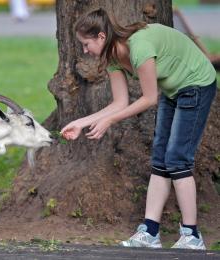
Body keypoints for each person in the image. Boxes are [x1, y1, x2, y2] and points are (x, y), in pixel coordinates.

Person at [61, 8, 217, 250]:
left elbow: (149, 98)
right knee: (160, 158)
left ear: (101, 37)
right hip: (173, 88)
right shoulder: (112, 59)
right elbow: (119, 103)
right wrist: (81, 123)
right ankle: (150, 232)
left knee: (177, 159)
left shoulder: (139, 47)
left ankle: (192, 236)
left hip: (196, 83)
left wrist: (110, 121)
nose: (84, 50)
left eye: (86, 43)